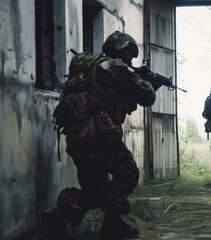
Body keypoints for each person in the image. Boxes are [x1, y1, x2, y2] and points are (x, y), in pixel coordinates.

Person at [42, 31, 160, 239]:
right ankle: (92, 218)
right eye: (129, 54)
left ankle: (64, 215)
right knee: (128, 171)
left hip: (75, 135)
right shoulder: (115, 67)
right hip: (98, 135)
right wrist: (150, 83)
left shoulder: (87, 64)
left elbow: (104, 92)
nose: (129, 59)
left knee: (96, 186)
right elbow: (146, 96)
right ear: (121, 50)